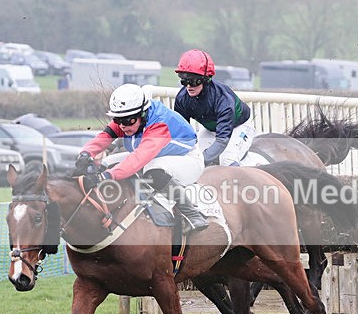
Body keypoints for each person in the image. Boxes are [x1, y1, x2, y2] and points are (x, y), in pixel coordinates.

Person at [74, 83, 209, 234]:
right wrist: (86, 154)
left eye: (127, 121)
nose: (123, 126)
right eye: (118, 120)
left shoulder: (159, 125)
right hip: (158, 156)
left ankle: (192, 214)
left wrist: (104, 177)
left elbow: (137, 160)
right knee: (106, 163)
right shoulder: (129, 116)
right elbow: (105, 136)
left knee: (153, 170)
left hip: (187, 159)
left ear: (143, 114)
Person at [173, 49, 256, 166]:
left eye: (193, 81)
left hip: (239, 126)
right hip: (211, 129)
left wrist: (201, 161)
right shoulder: (182, 98)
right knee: (195, 156)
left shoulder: (222, 99)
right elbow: (182, 133)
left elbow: (222, 140)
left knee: (226, 160)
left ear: (206, 79)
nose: (188, 86)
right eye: (184, 81)